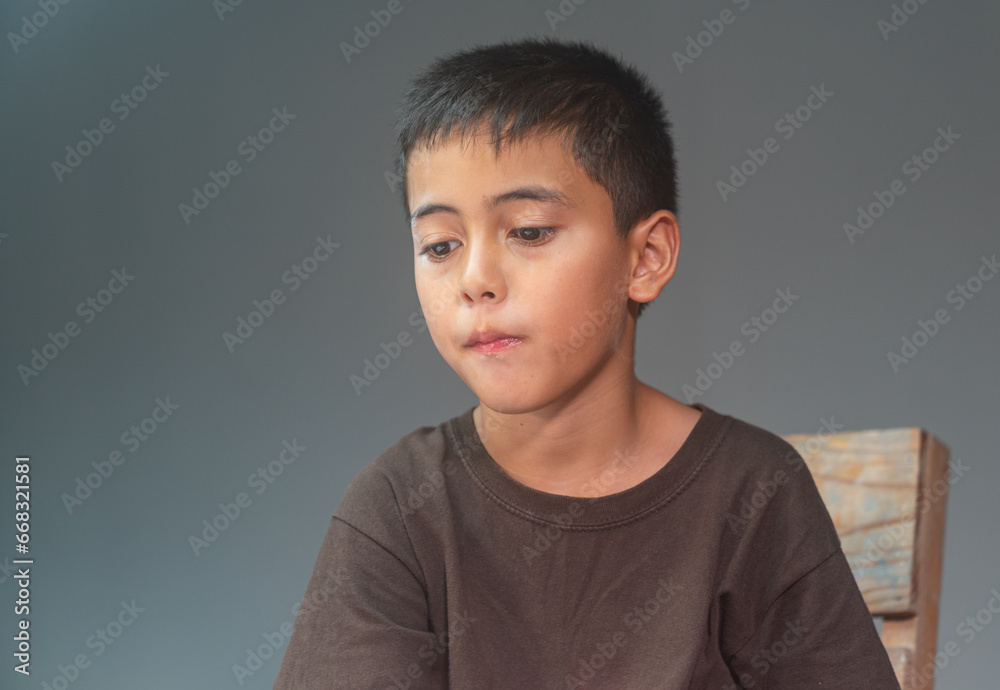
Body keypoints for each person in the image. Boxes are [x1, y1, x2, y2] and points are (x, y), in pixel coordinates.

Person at [274, 36, 900, 689]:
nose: (476, 278)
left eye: (529, 232)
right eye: (440, 245)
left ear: (645, 258)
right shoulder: (400, 509)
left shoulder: (753, 494)